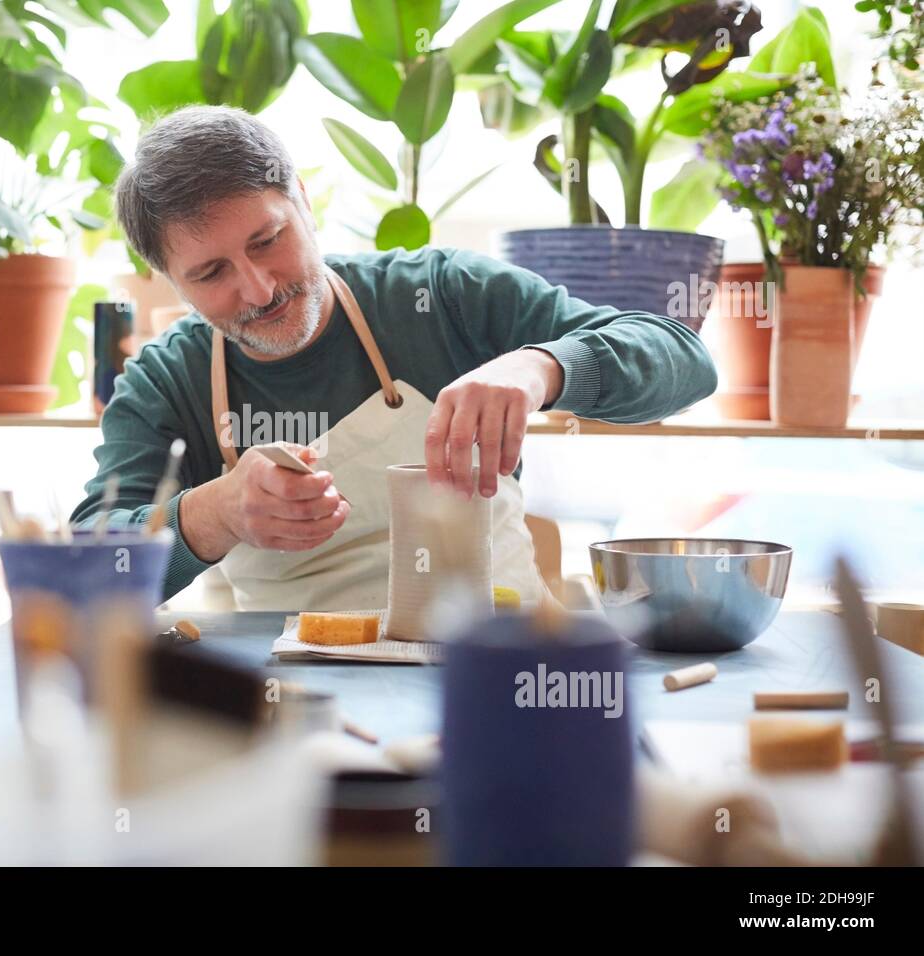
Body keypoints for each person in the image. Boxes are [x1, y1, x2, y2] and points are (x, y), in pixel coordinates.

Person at [70, 106, 717, 610]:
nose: (259, 288)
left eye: (268, 240)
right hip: (303, 692)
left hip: (499, 659)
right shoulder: (166, 382)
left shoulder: (443, 295)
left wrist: (541, 366)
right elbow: (80, 579)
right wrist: (214, 514)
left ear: (302, 198)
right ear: (169, 279)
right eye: (211, 273)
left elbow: (686, 362)